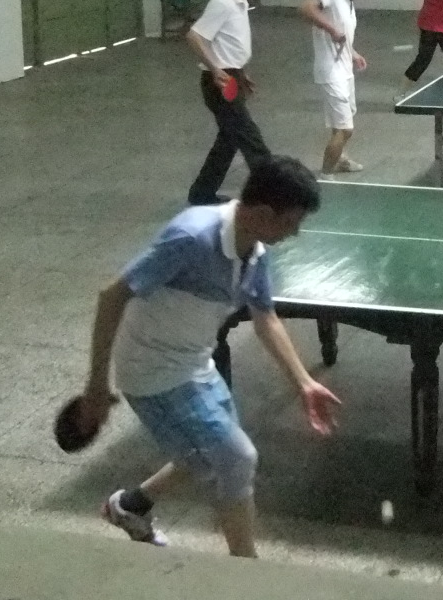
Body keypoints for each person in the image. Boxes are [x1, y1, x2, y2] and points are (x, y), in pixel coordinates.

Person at [85, 155, 342, 557]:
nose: (295, 232)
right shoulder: (191, 237)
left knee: (207, 457)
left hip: (196, 364)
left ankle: (130, 506)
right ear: (263, 214)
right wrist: (97, 385)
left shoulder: (254, 249)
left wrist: (304, 383)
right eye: (291, 222)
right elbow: (111, 295)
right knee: (237, 459)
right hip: (153, 373)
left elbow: (265, 318)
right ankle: (246, 570)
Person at [186, 0, 269, 206]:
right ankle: (273, 193)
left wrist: (241, 73)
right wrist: (215, 69)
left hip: (233, 77)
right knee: (250, 138)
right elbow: (194, 36)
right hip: (221, 84)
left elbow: (229, 44)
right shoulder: (223, 1)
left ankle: (201, 194)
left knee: (229, 140)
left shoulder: (239, 1)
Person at [299, 0, 369, 174]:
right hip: (330, 73)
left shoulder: (347, 0)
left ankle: (340, 160)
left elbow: (343, 33)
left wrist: (353, 53)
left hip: (344, 70)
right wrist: (331, 29)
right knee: (345, 129)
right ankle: (326, 176)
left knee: (340, 124)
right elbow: (306, 8)